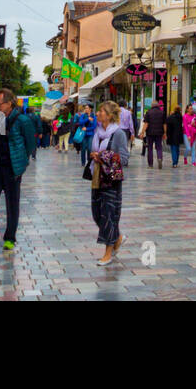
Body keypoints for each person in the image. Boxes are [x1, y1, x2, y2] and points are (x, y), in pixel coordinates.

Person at [0, 88, 38, 251]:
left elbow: (31, 143)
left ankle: (10, 237)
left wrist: (22, 162)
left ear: (9, 104)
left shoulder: (22, 120)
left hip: (13, 168)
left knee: (12, 203)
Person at [89, 100, 130, 267]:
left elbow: (125, 158)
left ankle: (108, 252)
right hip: (97, 177)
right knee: (97, 214)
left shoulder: (118, 133)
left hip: (111, 181)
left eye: (101, 111)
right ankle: (118, 237)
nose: (97, 114)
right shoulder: (97, 132)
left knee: (108, 215)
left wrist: (103, 157)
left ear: (109, 115)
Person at [139, 99, 166, 169]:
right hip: (159, 133)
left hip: (150, 133)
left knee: (150, 148)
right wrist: (165, 133)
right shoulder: (162, 113)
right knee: (159, 147)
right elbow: (164, 124)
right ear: (158, 105)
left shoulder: (148, 112)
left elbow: (146, 124)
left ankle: (150, 164)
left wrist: (142, 132)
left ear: (152, 105)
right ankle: (159, 158)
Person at [74, 103, 98, 173]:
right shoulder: (83, 116)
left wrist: (86, 128)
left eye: (87, 108)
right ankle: (83, 162)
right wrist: (87, 119)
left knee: (90, 148)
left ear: (90, 109)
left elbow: (94, 126)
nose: (86, 109)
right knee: (83, 148)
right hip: (83, 135)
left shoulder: (94, 116)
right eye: (85, 108)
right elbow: (80, 123)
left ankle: (89, 162)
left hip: (90, 134)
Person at [182, 102, 196, 167]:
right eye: (190, 108)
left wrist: (194, 124)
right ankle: (185, 157)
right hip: (186, 134)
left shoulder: (194, 116)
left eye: (192, 108)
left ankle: (193, 162)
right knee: (188, 148)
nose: (191, 110)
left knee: (193, 148)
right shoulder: (185, 116)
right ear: (187, 109)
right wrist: (188, 135)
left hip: (193, 133)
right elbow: (185, 127)